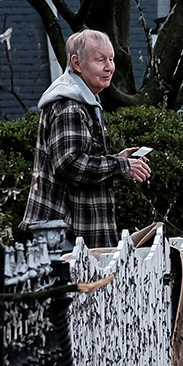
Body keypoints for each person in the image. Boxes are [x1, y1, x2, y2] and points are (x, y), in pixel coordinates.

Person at [22, 29, 153, 248]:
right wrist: (120, 164)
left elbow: (81, 162)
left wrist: (118, 163)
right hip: (65, 238)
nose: (109, 67)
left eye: (111, 59)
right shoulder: (69, 105)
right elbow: (69, 164)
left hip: (73, 235)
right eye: (100, 60)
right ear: (77, 63)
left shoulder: (83, 100)